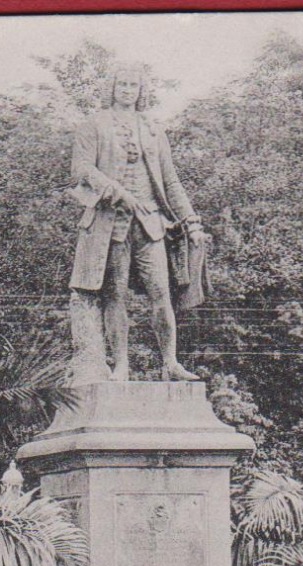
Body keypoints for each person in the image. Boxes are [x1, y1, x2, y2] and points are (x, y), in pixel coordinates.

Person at [67, 64, 208, 383]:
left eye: (133, 85)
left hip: (151, 224)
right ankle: (121, 366)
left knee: (162, 293)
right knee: (115, 295)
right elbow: (80, 169)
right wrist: (114, 191)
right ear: (112, 87)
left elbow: (171, 182)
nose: (127, 89)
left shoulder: (154, 129)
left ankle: (170, 362)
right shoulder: (95, 124)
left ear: (141, 90)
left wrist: (192, 222)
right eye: (122, 83)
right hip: (111, 224)